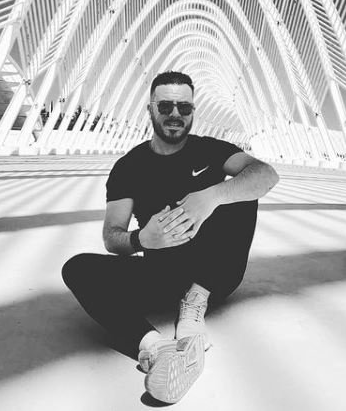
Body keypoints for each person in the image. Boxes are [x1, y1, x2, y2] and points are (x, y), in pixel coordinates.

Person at [62, 71, 279, 403]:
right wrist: (141, 240)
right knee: (77, 268)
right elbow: (112, 236)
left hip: (214, 274)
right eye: (165, 106)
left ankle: (194, 304)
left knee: (242, 191)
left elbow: (265, 174)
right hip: (161, 273)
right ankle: (156, 347)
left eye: (184, 107)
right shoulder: (128, 167)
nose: (175, 114)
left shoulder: (211, 150)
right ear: (150, 109)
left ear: (193, 111)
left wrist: (210, 197)